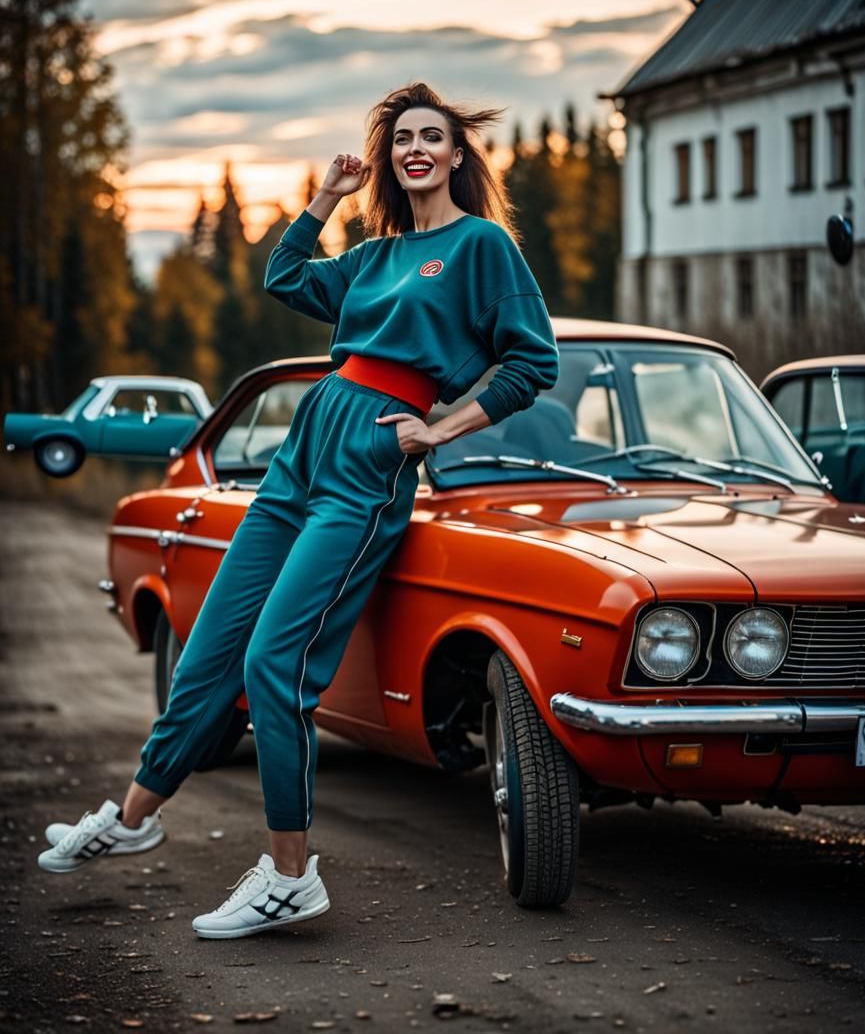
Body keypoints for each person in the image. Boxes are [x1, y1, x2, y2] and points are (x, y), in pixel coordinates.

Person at [37, 82, 559, 939]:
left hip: (369, 463)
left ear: (460, 156)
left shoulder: (482, 248)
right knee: (210, 652)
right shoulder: (374, 253)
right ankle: (133, 816)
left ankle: (290, 875)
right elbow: (284, 277)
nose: (416, 149)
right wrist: (324, 199)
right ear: (390, 158)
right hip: (306, 444)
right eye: (402, 140)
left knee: (275, 666)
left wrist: (436, 430)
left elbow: (531, 362)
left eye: (433, 138)